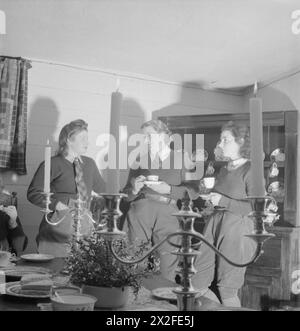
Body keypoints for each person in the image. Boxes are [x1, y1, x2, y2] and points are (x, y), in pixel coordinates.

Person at [121, 119, 199, 282]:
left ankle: (162, 304)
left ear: (164, 136)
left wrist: (170, 190)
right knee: (134, 263)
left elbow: (194, 191)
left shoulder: (182, 159)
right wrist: (134, 189)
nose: (146, 141)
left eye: (150, 136)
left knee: (167, 268)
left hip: (168, 214)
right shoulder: (139, 160)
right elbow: (126, 195)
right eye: (144, 137)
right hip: (139, 213)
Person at [193, 121, 258, 307]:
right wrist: (210, 202)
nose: (219, 144)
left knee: (227, 289)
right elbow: (219, 199)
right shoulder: (223, 169)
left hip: (238, 229)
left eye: (225, 139)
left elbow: (254, 207)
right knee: (197, 284)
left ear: (241, 142)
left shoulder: (251, 170)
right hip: (214, 224)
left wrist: (221, 201)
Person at [27, 119, 106, 257]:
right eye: (83, 139)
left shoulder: (89, 164)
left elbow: (105, 190)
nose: (87, 143)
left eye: (87, 139)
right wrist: (57, 205)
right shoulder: (53, 163)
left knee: (83, 269)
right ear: (69, 140)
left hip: (84, 224)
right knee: (55, 267)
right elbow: (33, 193)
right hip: (59, 224)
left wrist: (131, 189)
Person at [0, 177, 28, 255]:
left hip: (6, 264)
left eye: (1, 188)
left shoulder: (7, 213)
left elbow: (20, 247)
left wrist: (13, 223)